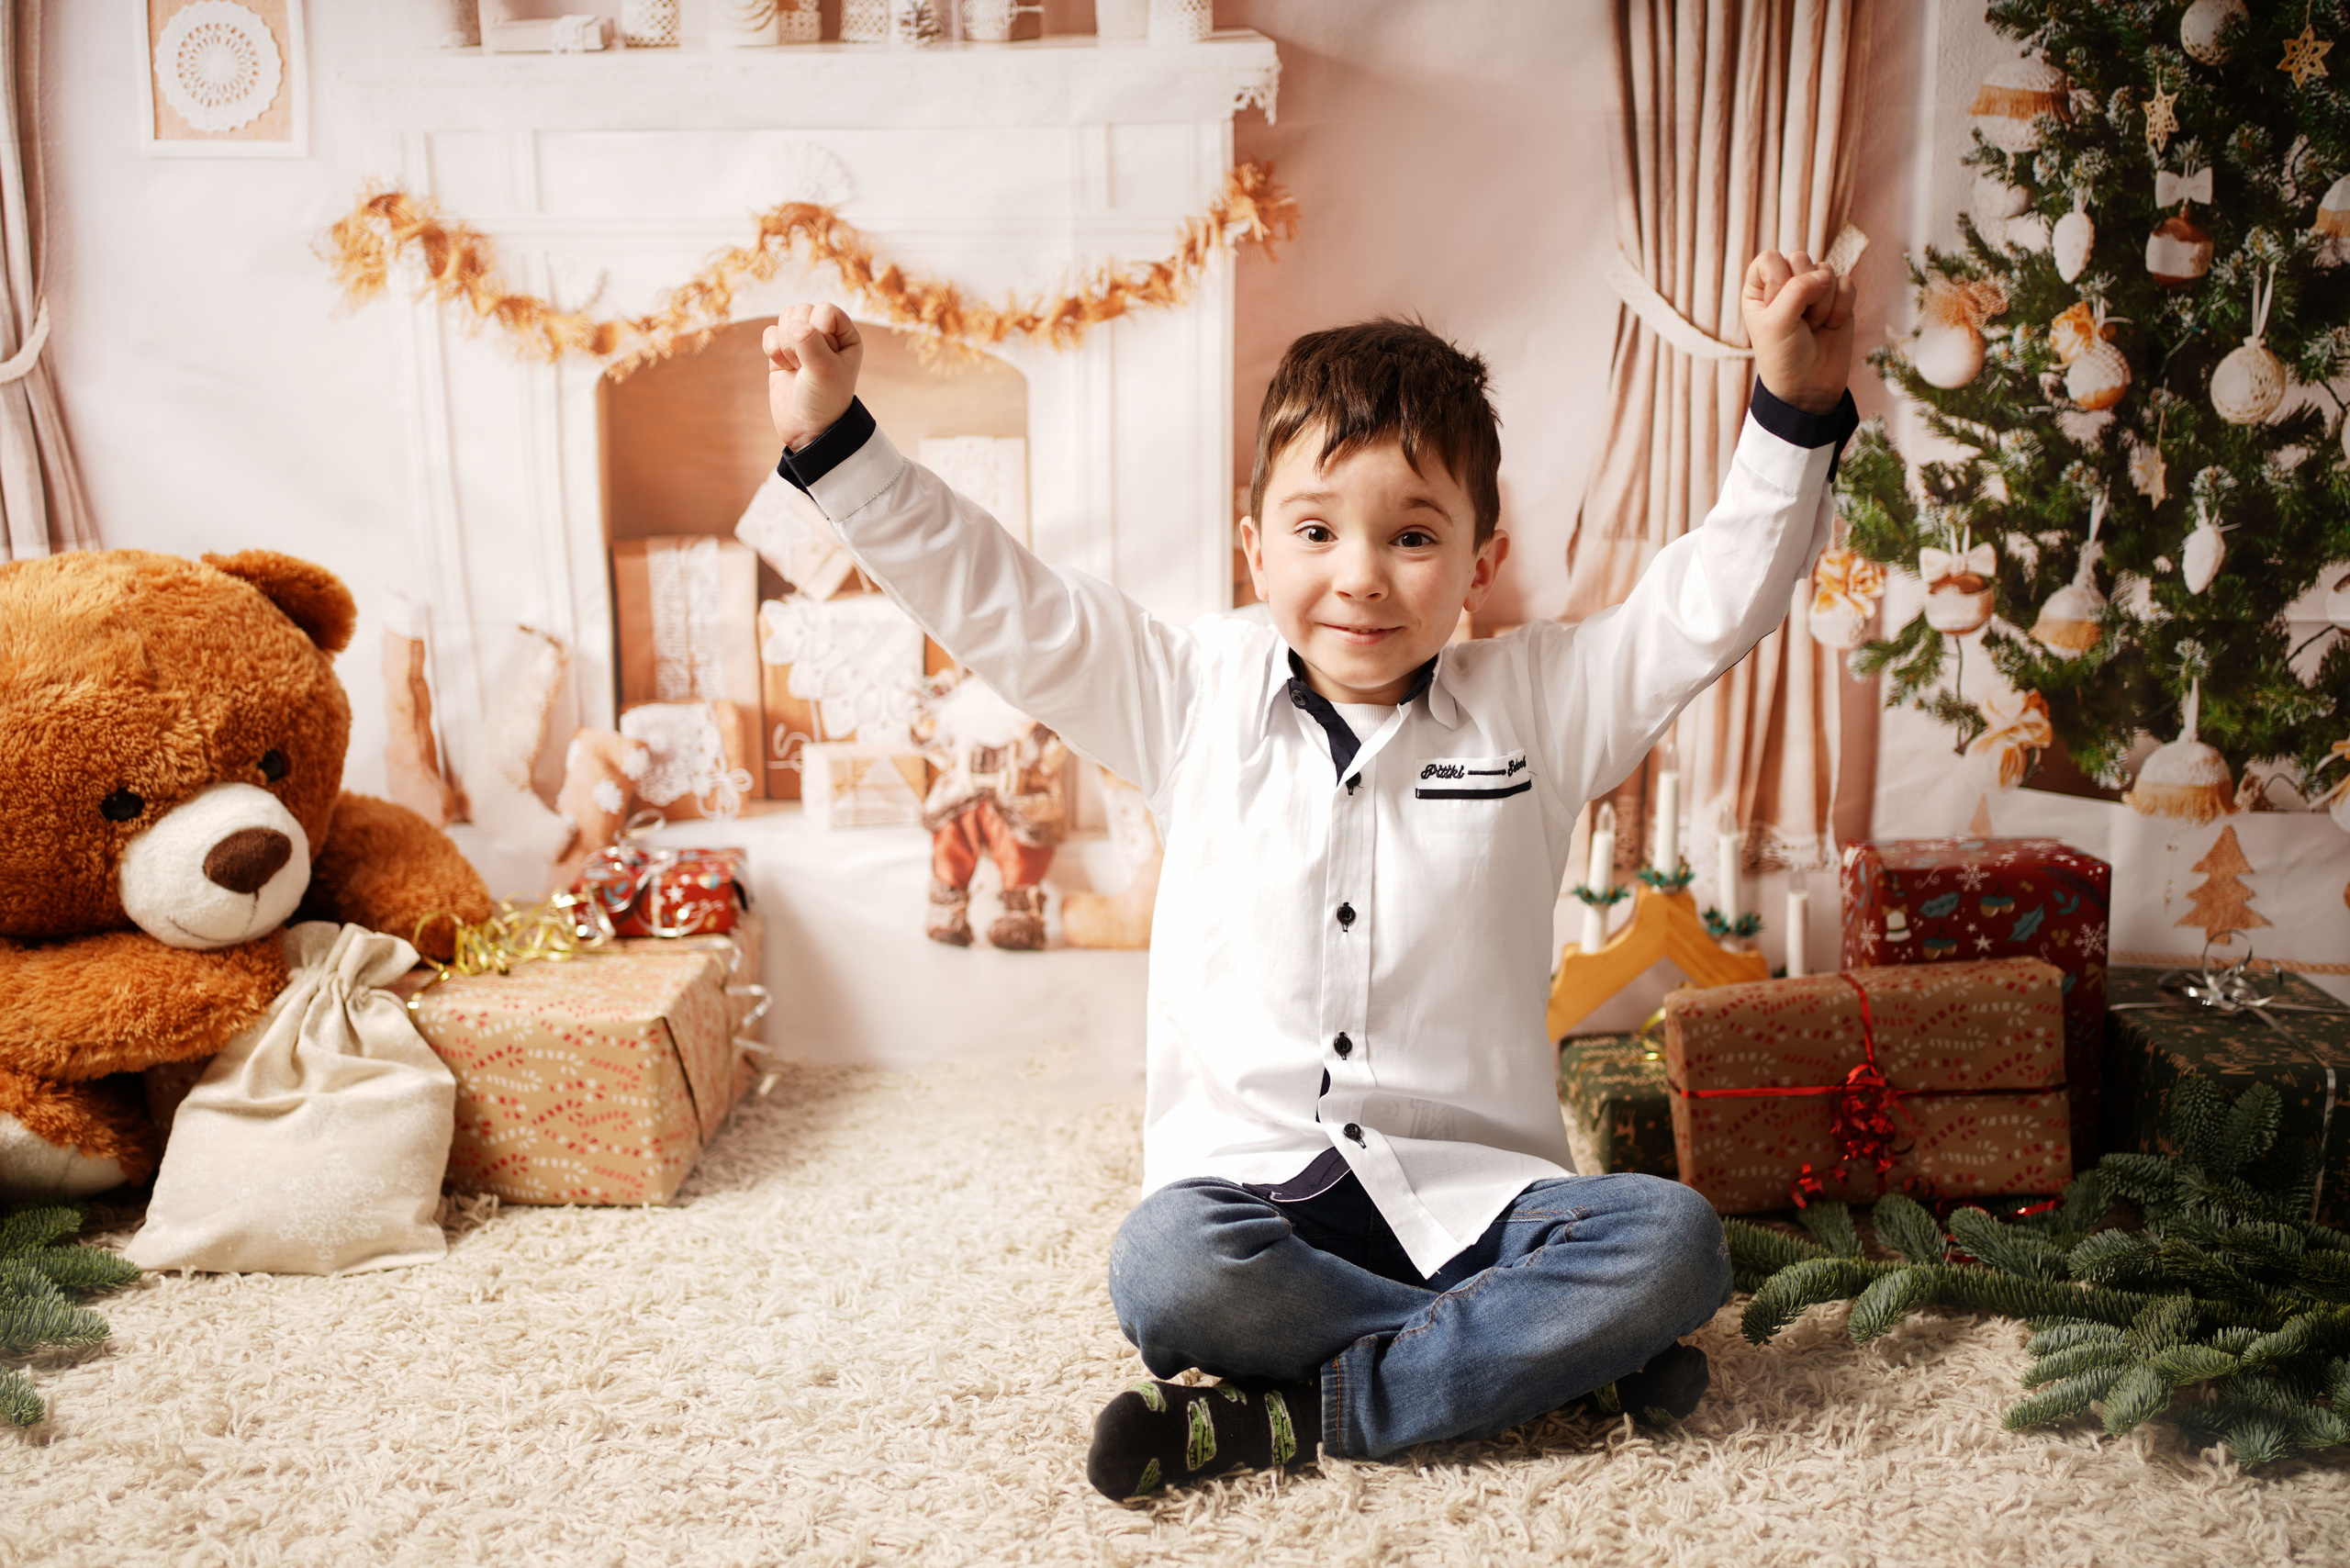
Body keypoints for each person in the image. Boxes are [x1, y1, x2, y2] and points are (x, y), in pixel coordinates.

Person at [761, 249, 1858, 1499]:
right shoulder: (1184, 693)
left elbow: (1708, 607)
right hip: (1259, 1209)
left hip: (1477, 1213)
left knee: (1675, 1246)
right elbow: (1004, 601)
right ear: (1254, 547)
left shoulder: (1546, 704)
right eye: (1319, 531)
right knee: (1165, 1270)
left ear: (1480, 561)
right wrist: (838, 440)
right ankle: (1539, 1368)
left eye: (1412, 536)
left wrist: (1792, 412)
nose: (1360, 575)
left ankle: (1287, 1415)